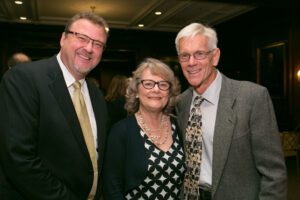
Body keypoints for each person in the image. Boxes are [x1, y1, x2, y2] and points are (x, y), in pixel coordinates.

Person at [0, 12, 109, 200]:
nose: (89, 48)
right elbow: (19, 159)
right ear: (63, 39)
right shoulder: (24, 79)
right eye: (82, 38)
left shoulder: (97, 95)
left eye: (97, 44)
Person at [175, 23, 287, 200]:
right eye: (184, 56)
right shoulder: (181, 102)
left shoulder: (252, 97)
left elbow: (274, 174)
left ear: (215, 56)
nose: (191, 62)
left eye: (199, 54)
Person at [103, 58, 185, 199]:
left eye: (163, 84)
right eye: (148, 84)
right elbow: (112, 189)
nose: (156, 89)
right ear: (135, 91)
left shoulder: (178, 125)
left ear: (169, 92)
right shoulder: (121, 131)